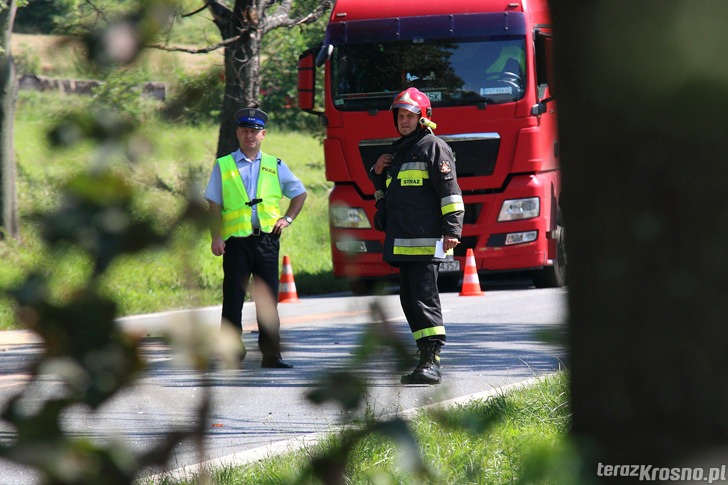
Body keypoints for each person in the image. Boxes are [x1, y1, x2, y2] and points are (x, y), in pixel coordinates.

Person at [369, 87, 464, 385]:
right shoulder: (398, 151)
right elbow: (389, 195)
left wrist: (453, 229)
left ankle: (432, 361)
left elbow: (450, 193)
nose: (404, 121)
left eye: (410, 116)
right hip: (402, 241)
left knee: (424, 300)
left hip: (425, 241)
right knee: (409, 301)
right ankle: (423, 356)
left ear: (423, 118)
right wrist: (377, 173)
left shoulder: (433, 147)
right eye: (400, 116)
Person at [204, 108, 307, 369]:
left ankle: (271, 354)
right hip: (235, 242)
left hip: (267, 241)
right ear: (237, 133)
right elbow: (214, 204)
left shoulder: (275, 165)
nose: (250, 136)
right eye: (245, 131)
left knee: (268, 299)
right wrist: (215, 236)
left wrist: (289, 218)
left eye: (254, 132)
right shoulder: (223, 164)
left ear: (263, 135)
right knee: (233, 298)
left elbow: (299, 193)